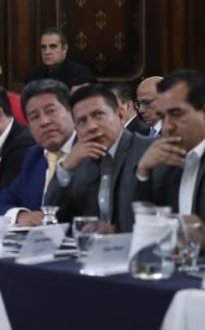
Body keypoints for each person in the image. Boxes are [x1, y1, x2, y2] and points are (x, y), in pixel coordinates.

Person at [44, 84, 151, 233]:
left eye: (98, 115)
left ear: (120, 115)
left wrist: (116, 231)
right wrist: (65, 168)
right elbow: (52, 217)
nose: (91, 126)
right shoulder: (80, 160)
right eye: (82, 121)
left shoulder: (147, 150)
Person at [0, 79, 77, 225]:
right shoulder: (34, 156)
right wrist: (20, 215)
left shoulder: (88, 150)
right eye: (34, 117)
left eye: (51, 111)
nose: (44, 122)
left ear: (71, 110)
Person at [134, 69, 205, 216]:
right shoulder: (164, 165)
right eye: (162, 117)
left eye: (176, 114)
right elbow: (145, 226)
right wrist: (143, 171)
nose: (167, 127)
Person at [24, 27, 97, 88]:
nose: (47, 52)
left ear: (64, 48)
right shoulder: (33, 77)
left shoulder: (81, 74)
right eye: (43, 47)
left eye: (53, 47)